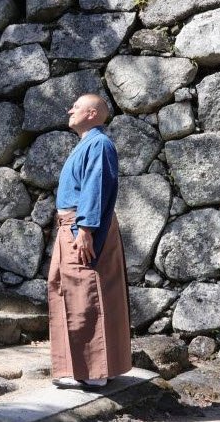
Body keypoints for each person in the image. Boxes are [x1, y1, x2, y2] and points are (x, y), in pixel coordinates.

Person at [47, 93, 132, 389]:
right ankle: (79, 367)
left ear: (93, 113)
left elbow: (96, 188)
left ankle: (94, 372)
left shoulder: (99, 144)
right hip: (72, 226)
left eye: (77, 107)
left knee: (86, 292)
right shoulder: (88, 144)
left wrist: (86, 229)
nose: (70, 110)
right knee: (65, 290)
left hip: (81, 227)